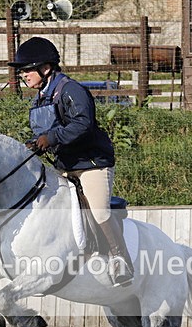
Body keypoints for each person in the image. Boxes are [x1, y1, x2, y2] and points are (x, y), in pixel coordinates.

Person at [9, 37, 133, 288]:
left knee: (98, 211)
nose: (23, 75)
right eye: (21, 72)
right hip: (65, 165)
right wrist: (35, 144)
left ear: (45, 68)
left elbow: (82, 124)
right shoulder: (41, 97)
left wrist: (50, 138)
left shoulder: (71, 90)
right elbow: (50, 131)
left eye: (27, 70)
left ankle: (121, 260)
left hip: (91, 164)